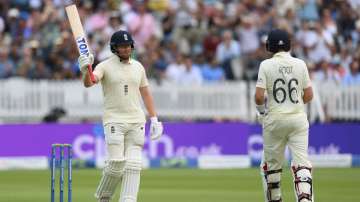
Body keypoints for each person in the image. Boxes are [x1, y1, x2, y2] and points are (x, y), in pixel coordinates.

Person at [78, 30, 163, 202]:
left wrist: (154, 119)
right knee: (116, 163)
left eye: (128, 46)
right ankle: (104, 196)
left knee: (133, 166)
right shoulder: (104, 66)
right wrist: (85, 71)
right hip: (114, 120)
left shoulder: (138, 67)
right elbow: (90, 83)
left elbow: (146, 94)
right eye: (121, 46)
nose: (125, 49)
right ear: (114, 48)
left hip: (136, 121)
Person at [255, 29, 314, 202]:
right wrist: (294, 103)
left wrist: (261, 112)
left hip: (275, 119)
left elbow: (259, 96)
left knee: (272, 168)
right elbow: (309, 95)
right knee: (302, 165)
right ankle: (305, 200)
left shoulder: (266, 65)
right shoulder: (300, 64)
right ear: (289, 45)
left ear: (270, 46)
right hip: (298, 119)